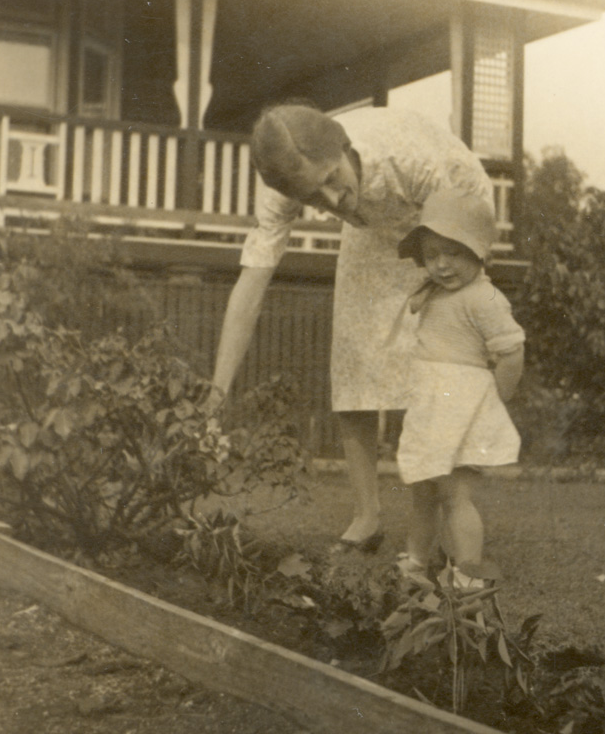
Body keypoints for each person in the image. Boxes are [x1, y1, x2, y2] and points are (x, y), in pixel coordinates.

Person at [208, 102, 495, 548]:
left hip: (452, 213)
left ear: (343, 147)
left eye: (329, 181)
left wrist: (436, 290)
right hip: (374, 225)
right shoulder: (289, 187)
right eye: (311, 198)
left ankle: (432, 533)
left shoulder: (409, 159)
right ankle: (367, 518)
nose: (329, 203)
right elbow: (252, 280)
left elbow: (462, 228)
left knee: (429, 371)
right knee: (354, 362)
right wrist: (216, 395)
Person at [392, 189, 525, 589]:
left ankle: (468, 571)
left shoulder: (484, 297)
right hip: (431, 404)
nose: (441, 264)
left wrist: (492, 404)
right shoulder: (434, 292)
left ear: (478, 252)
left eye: (453, 252)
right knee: (422, 488)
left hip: (460, 407)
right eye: (432, 254)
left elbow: (511, 353)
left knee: (453, 493)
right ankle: (417, 561)